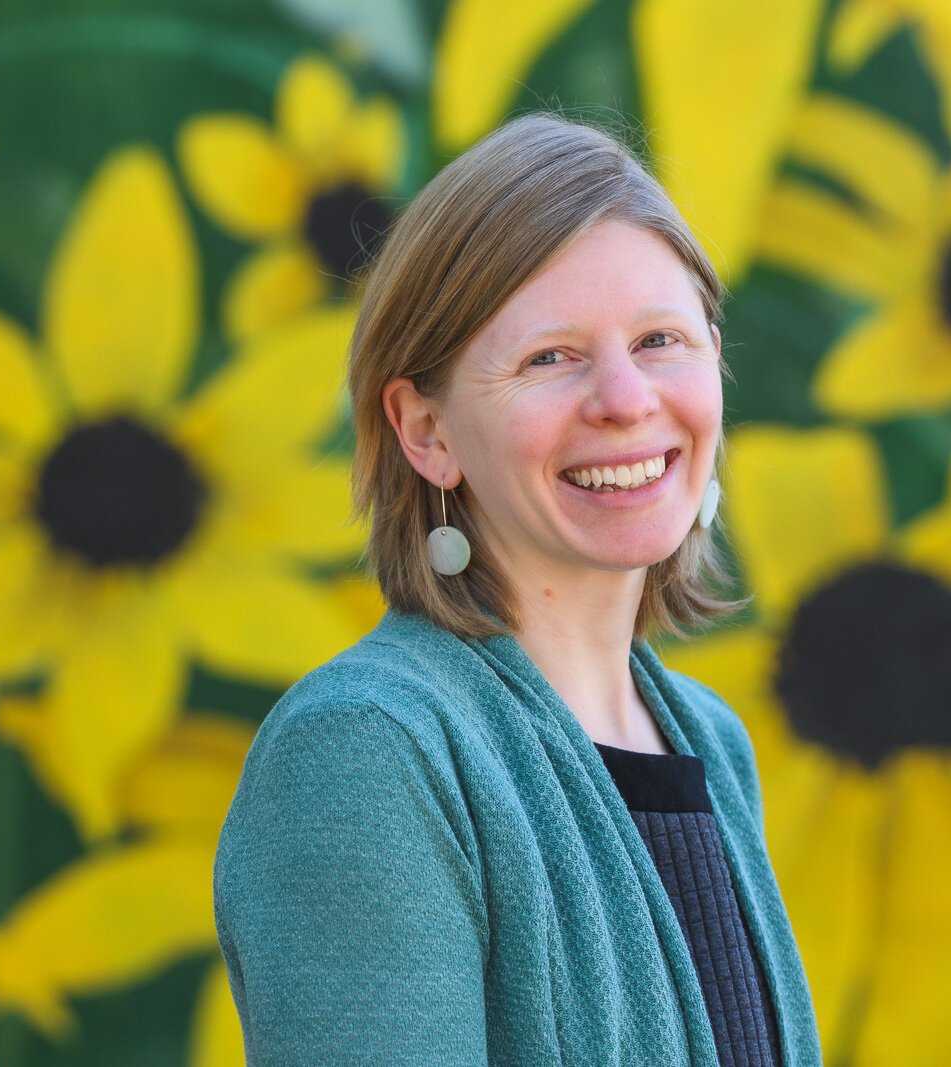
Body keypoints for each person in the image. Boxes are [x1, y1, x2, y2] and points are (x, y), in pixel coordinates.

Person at [212, 110, 823, 1066]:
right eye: (551, 357)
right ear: (427, 432)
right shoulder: (366, 753)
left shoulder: (711, 742)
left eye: (662, 339)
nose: (626, 399)